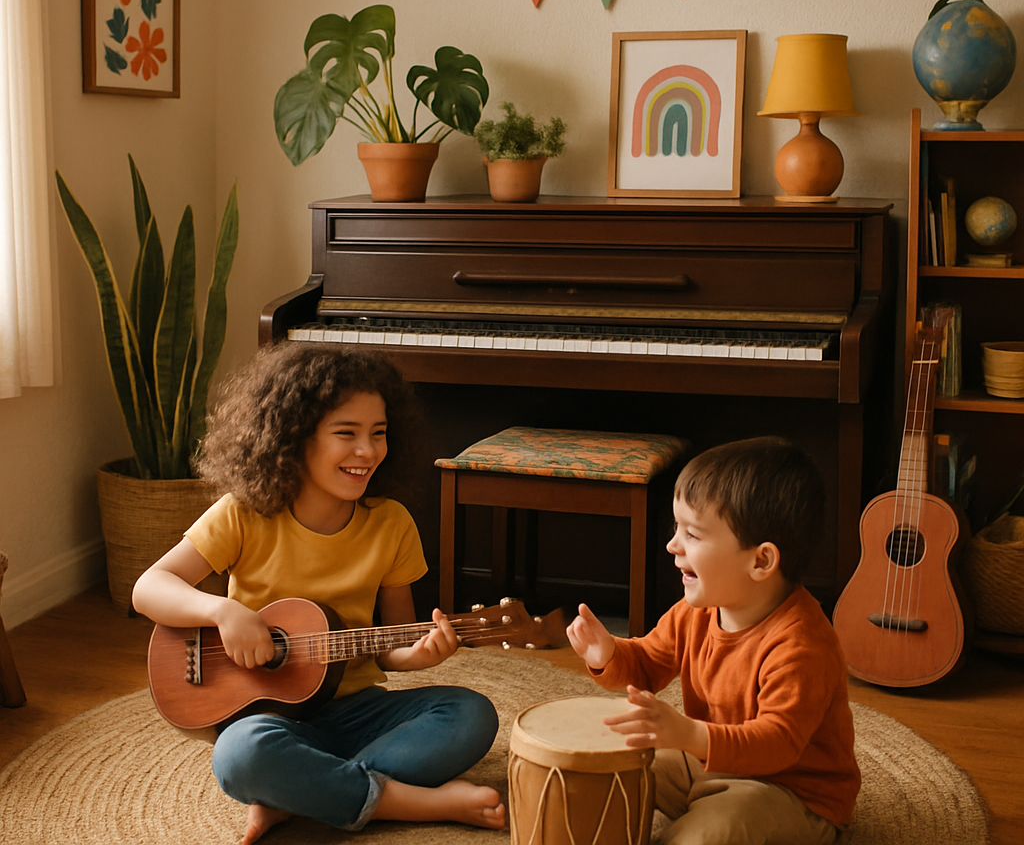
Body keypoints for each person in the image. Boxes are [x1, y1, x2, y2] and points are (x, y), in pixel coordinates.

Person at [132, 342, 503, 844]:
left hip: (359, 708)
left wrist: (416, 656)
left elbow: (391, 645)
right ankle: (396, 801)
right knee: (240, 755)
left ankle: (300, 793)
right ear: (294, 437)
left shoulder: (391, 524)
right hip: (272, 718)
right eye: (345, 434)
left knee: (472, 714)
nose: (367, 451)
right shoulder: (244, 513)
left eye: (379, 433)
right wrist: (223, 611)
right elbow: (149, 587)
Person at [567, 436, 860, 845]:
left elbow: (777, 744)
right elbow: (649, 662)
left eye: (693, 534)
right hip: (711, 761)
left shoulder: (803, 646)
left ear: (760, 561)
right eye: (676, 527)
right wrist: (610, 654)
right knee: (615, 762)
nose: (672, 545)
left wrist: (688, 735)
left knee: (709, 833)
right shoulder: (697, 611)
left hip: (791, 792)